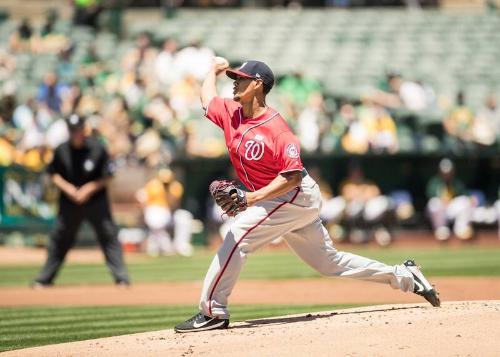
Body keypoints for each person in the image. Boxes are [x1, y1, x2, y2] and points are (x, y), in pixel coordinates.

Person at [174, 59, 440, 333]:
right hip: (279, 199)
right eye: (233, 77)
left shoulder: (277, 129)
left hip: (295, 195)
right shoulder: (231, 113)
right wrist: (212, 71)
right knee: (328, 262)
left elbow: (293, 177)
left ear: (257, 85)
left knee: (238, 233)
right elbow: (208, 99)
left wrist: (250, 199)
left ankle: (213, 311)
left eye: (240, 78)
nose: (234, 82)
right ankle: (405, 275)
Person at [32, 114, 130, 287]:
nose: (75, 133)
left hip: (95, 200)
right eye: (72, 130)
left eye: (78, 129)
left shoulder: (97, 148)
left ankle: (121, 277)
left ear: (84, 129)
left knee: (108, 235)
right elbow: (52, 173)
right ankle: (45, 278)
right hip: (69, 202)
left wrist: (88, 189)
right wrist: (68, 188)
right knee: (60, 238)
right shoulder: (62, 150)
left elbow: (108, 175)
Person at [135, 168, 193, 257]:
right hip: (155, 211)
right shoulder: (153, 185)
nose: (165, 184)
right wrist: (143, 213)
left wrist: (168, 193)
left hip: (169, 212)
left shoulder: (175, 186)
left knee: (184, 216)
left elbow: (174, 204)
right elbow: (141, 198)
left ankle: (181, 246)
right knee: (156, 220)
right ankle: (163, 247)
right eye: (163, 181)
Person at [426, 158, 475, 241]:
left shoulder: (456, 182)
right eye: (444, 172)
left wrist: (470, 199)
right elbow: (430, 195)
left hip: (451, 208)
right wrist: (442, 199)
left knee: (465, 201)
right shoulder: (434, 182)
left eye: (449, 172)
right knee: (434, 203)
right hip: (440, 210)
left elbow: (466, 194)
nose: (447, 174)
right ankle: (441, 231)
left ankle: (461, 230)